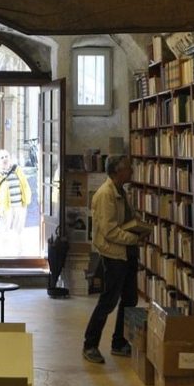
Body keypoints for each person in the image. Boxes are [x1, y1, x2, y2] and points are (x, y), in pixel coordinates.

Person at [82, 155, 150, 364]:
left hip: (126, 252)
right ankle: (90, 344)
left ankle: (119, 342)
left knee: (130, 299)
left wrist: (138, 229)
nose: (131, 172)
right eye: (128, 169)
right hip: (114, 254)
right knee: (108, 301)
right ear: (117, 171)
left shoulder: (121, 190)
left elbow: (124, 220)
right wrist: (134, 238)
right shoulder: (105, 194)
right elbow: (109, 230)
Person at [0, 149, 31, 251]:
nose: (4, 159)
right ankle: (4, 254)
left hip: (20, 206)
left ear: (10, 158)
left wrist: (27, 201)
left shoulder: (18, 170)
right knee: (4, 231)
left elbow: (25, 185)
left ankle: (18, 254)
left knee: (18, 231)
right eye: (2, 157)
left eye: (6, 157)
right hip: (5, 208)